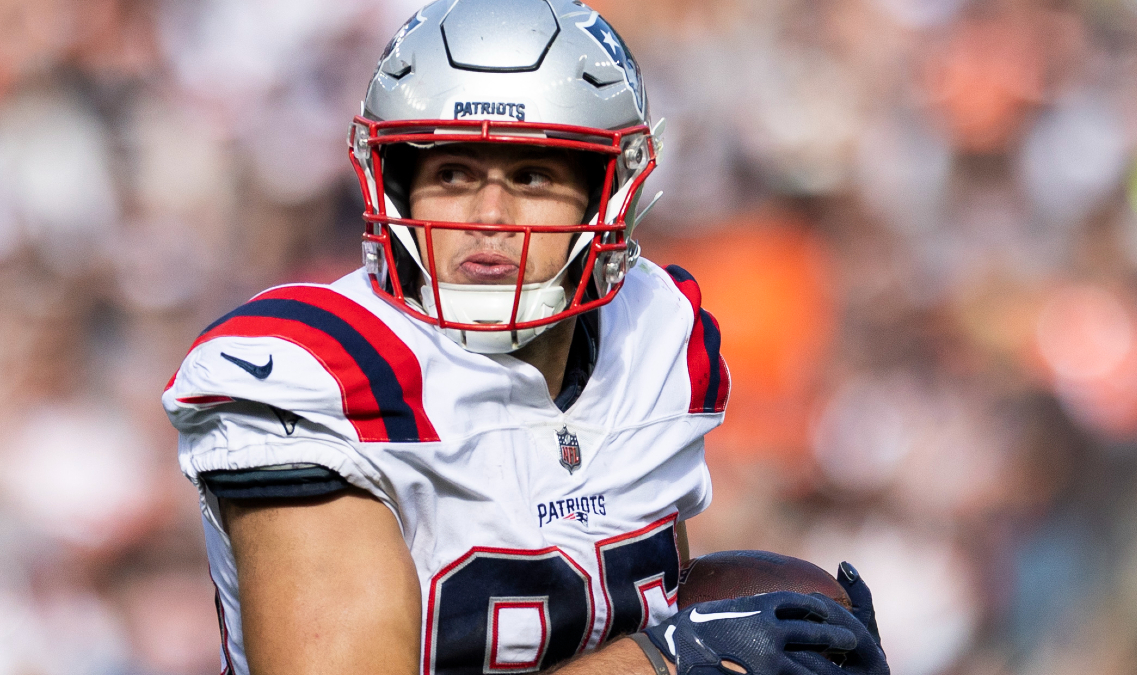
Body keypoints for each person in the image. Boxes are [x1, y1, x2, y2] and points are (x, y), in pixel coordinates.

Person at [163, 1, 889, 674]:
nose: (488, 214)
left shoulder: (656, 331)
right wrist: (668, 660)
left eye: (534, 174)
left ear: (609, 192)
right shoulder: (317, 367)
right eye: (451, 172)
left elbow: (638, 610)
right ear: (395, 185)